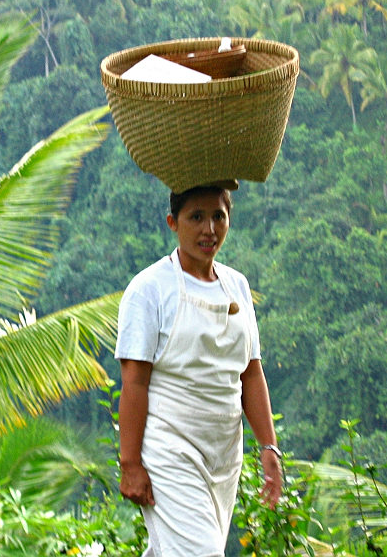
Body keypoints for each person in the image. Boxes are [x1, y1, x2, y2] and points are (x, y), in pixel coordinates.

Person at [116, 184, 282, 557]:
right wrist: (130, 464)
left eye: (218, 216)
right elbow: (134, 383)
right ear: (173, 222)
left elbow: (250, 374)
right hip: (170, 450)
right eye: (196, 217)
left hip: (224, 457)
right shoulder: (149, 289)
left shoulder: (236, 285)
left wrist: (269, 447)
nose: (209, 229)